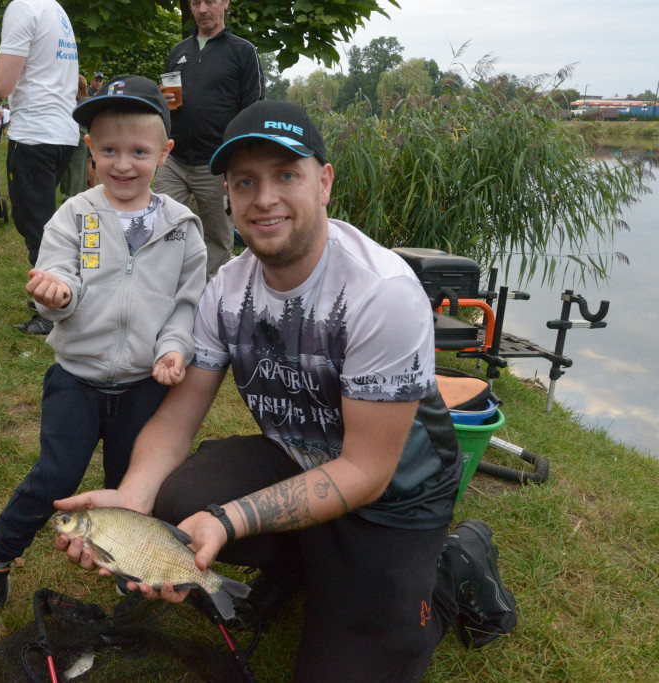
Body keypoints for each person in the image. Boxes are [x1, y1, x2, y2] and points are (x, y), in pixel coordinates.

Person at [56, 101, 518, 681]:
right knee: (177, 497)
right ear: (227, 194)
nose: (264, 198)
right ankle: (312, 562)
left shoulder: (382, 294)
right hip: (298, 458)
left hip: (394, 498)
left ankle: (453, 565)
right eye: (245, 181)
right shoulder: (226, 289)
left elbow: (367, 471)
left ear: (323, 182)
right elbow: (179, 418)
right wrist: (133, 499)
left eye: (285, 175)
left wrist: (227, 521)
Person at [0, 75, 207, 611]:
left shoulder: (183, 228)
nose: (123, 164)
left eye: (139, 152)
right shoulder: (74, 215)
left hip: (144, 385)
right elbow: (59, 277)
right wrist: (55, 295)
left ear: (165, 153)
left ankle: (134, 582)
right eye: (108, 151)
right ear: (90, 150)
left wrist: (174, 348)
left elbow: (185, 306)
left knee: (132, 488)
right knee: (56, 476)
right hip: (76, 377)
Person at [0, 0, 80, 335]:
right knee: (47, 222)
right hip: (63, 131)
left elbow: (1, 84)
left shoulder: (23, 7)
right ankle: (53, 294)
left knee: (37, 227)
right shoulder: (56, 11)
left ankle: (54, 311)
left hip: (36, 134)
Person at [154, 0, 264, 279]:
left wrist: (237, 159)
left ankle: (206, 299)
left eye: (210, 2)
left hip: (216, 164)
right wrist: (162, 100)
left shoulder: (243, 51)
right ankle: (162, 285)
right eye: (195, 3)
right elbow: (166, 100)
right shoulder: (179, 51)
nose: (202, 9)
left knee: (217, 238)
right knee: (157, 224)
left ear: (225, 3)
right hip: (175, 159)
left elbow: (252, 109)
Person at [58, 74, 89, 199]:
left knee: (66, 166)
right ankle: (75, 194)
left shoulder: (65, 101)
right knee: (79, 167)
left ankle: (67, 192)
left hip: (65, 135)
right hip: (81, 137)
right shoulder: (86, 101)